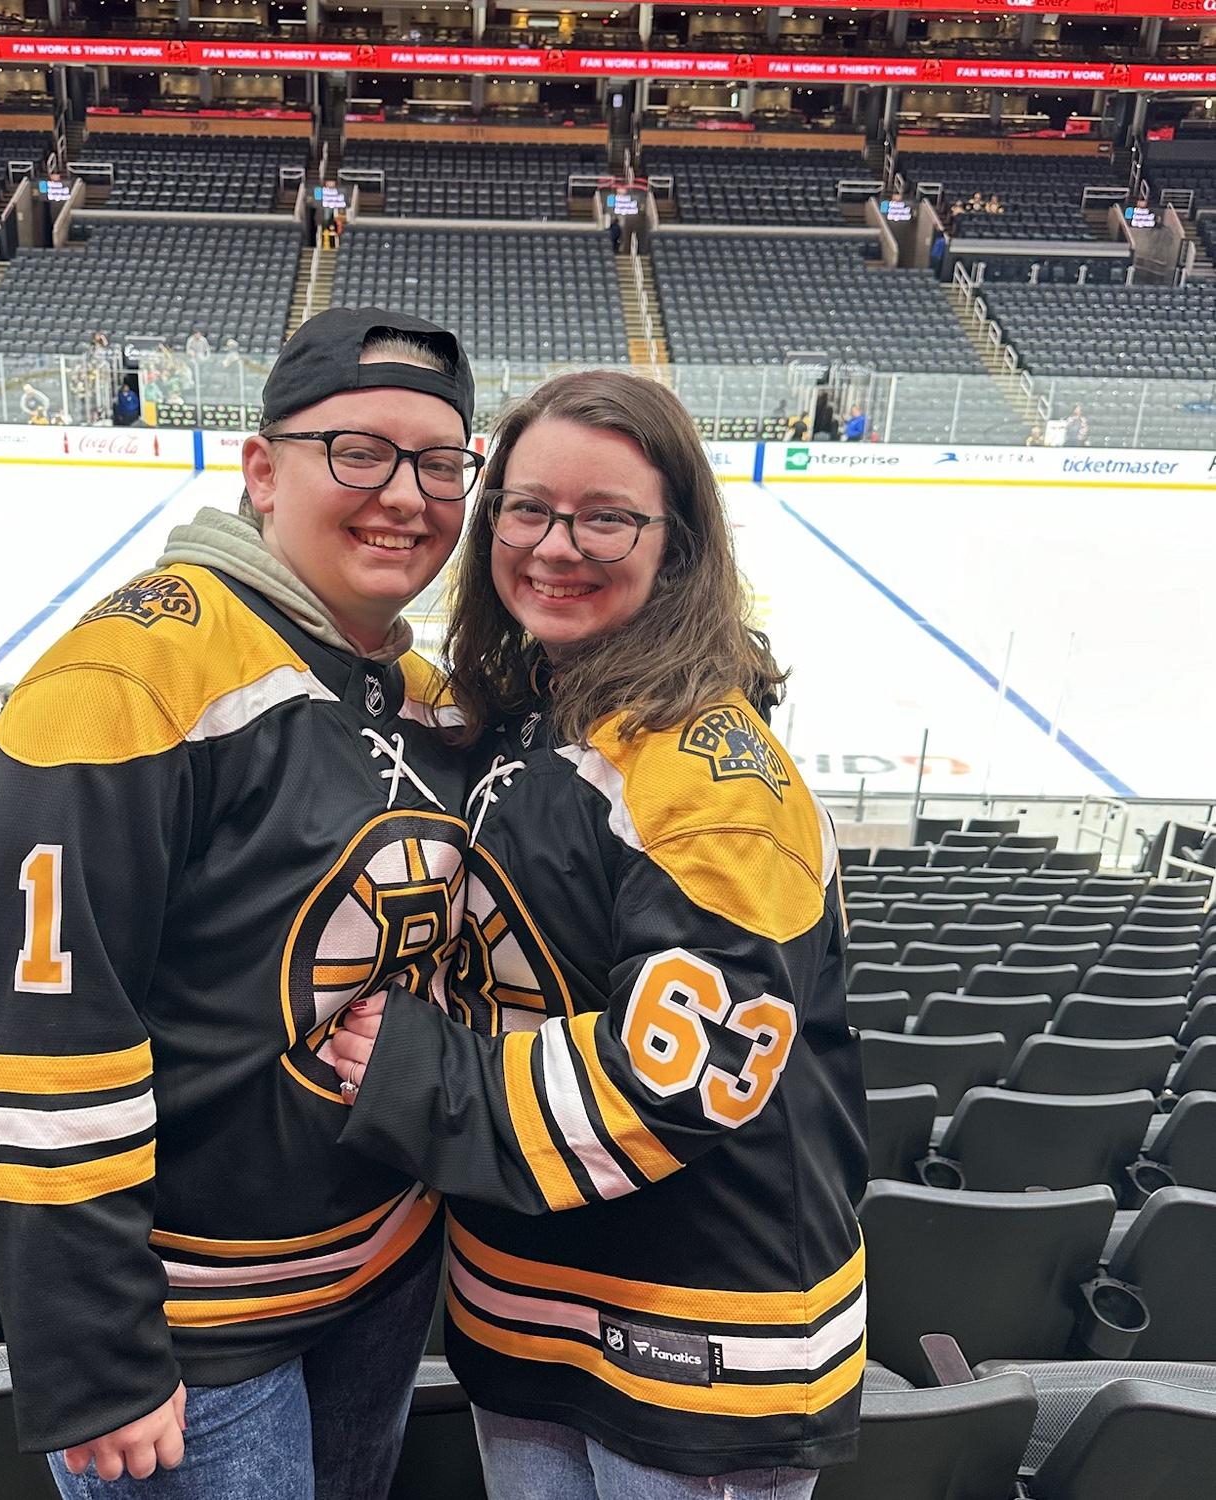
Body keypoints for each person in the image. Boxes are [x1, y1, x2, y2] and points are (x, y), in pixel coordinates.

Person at [0, 308, 485, 1497]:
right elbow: (42, 1046)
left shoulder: (421, 692)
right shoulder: (126, 679)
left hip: (381, 1278)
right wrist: (95, 1351)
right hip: (193, 1339)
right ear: (261, 470)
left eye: (440, 463)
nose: (406, 495)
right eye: (358, 451)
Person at [328, 370, 867, 1498]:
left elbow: (692, 1074)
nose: (555, 546)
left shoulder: (715, 780)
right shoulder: (529, 710)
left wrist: (422, 1075)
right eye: (527, 509)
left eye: (605, 517)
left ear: (678, 545)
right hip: (527, 1305)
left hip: (700, 1340)